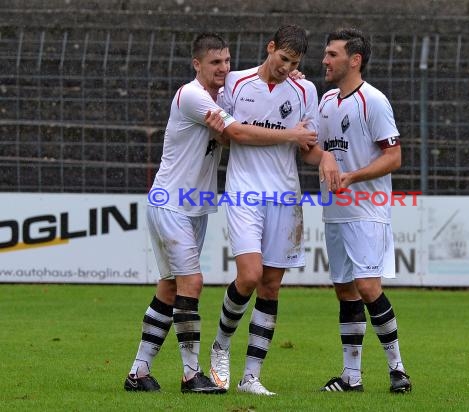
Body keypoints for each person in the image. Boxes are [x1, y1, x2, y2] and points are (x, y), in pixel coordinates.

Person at [124, 32, 319, 394]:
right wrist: (291, 135)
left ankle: (138, 372)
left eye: (227, 61)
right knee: (192, 283)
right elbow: (237, 133)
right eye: (215, 62)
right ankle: (191, 374)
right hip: (171, 201)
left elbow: (233, 132)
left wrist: (294, 82)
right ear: (197, 64)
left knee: (169, 288)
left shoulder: (228, 90)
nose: (223, 69)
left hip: (195, 205)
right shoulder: (193, 96)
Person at [208, 24, 339, 396]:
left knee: (271, 286)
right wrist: (290, 135)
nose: (286, 68)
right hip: (244, 193)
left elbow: (307, 146)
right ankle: (220, 346)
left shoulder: (304, 90)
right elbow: (232, 134)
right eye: (282, 59)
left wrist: (324, 156)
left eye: (293, 63)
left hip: (285, 196)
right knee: (248, 276)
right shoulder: (235, 82)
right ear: (270, 48)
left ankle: (251, 377)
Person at [317, 28, 412, 393]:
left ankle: (398, 369)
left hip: (367, 210)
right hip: (334, 212)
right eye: (325, 54)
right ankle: (351, 377)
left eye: (332, 54)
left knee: (368, 287)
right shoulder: (325, 101)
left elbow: (394, 156)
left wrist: (353, 176)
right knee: (345, 291)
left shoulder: (373, 101)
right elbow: (312, 143)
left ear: (354, 60)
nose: (325, 60)